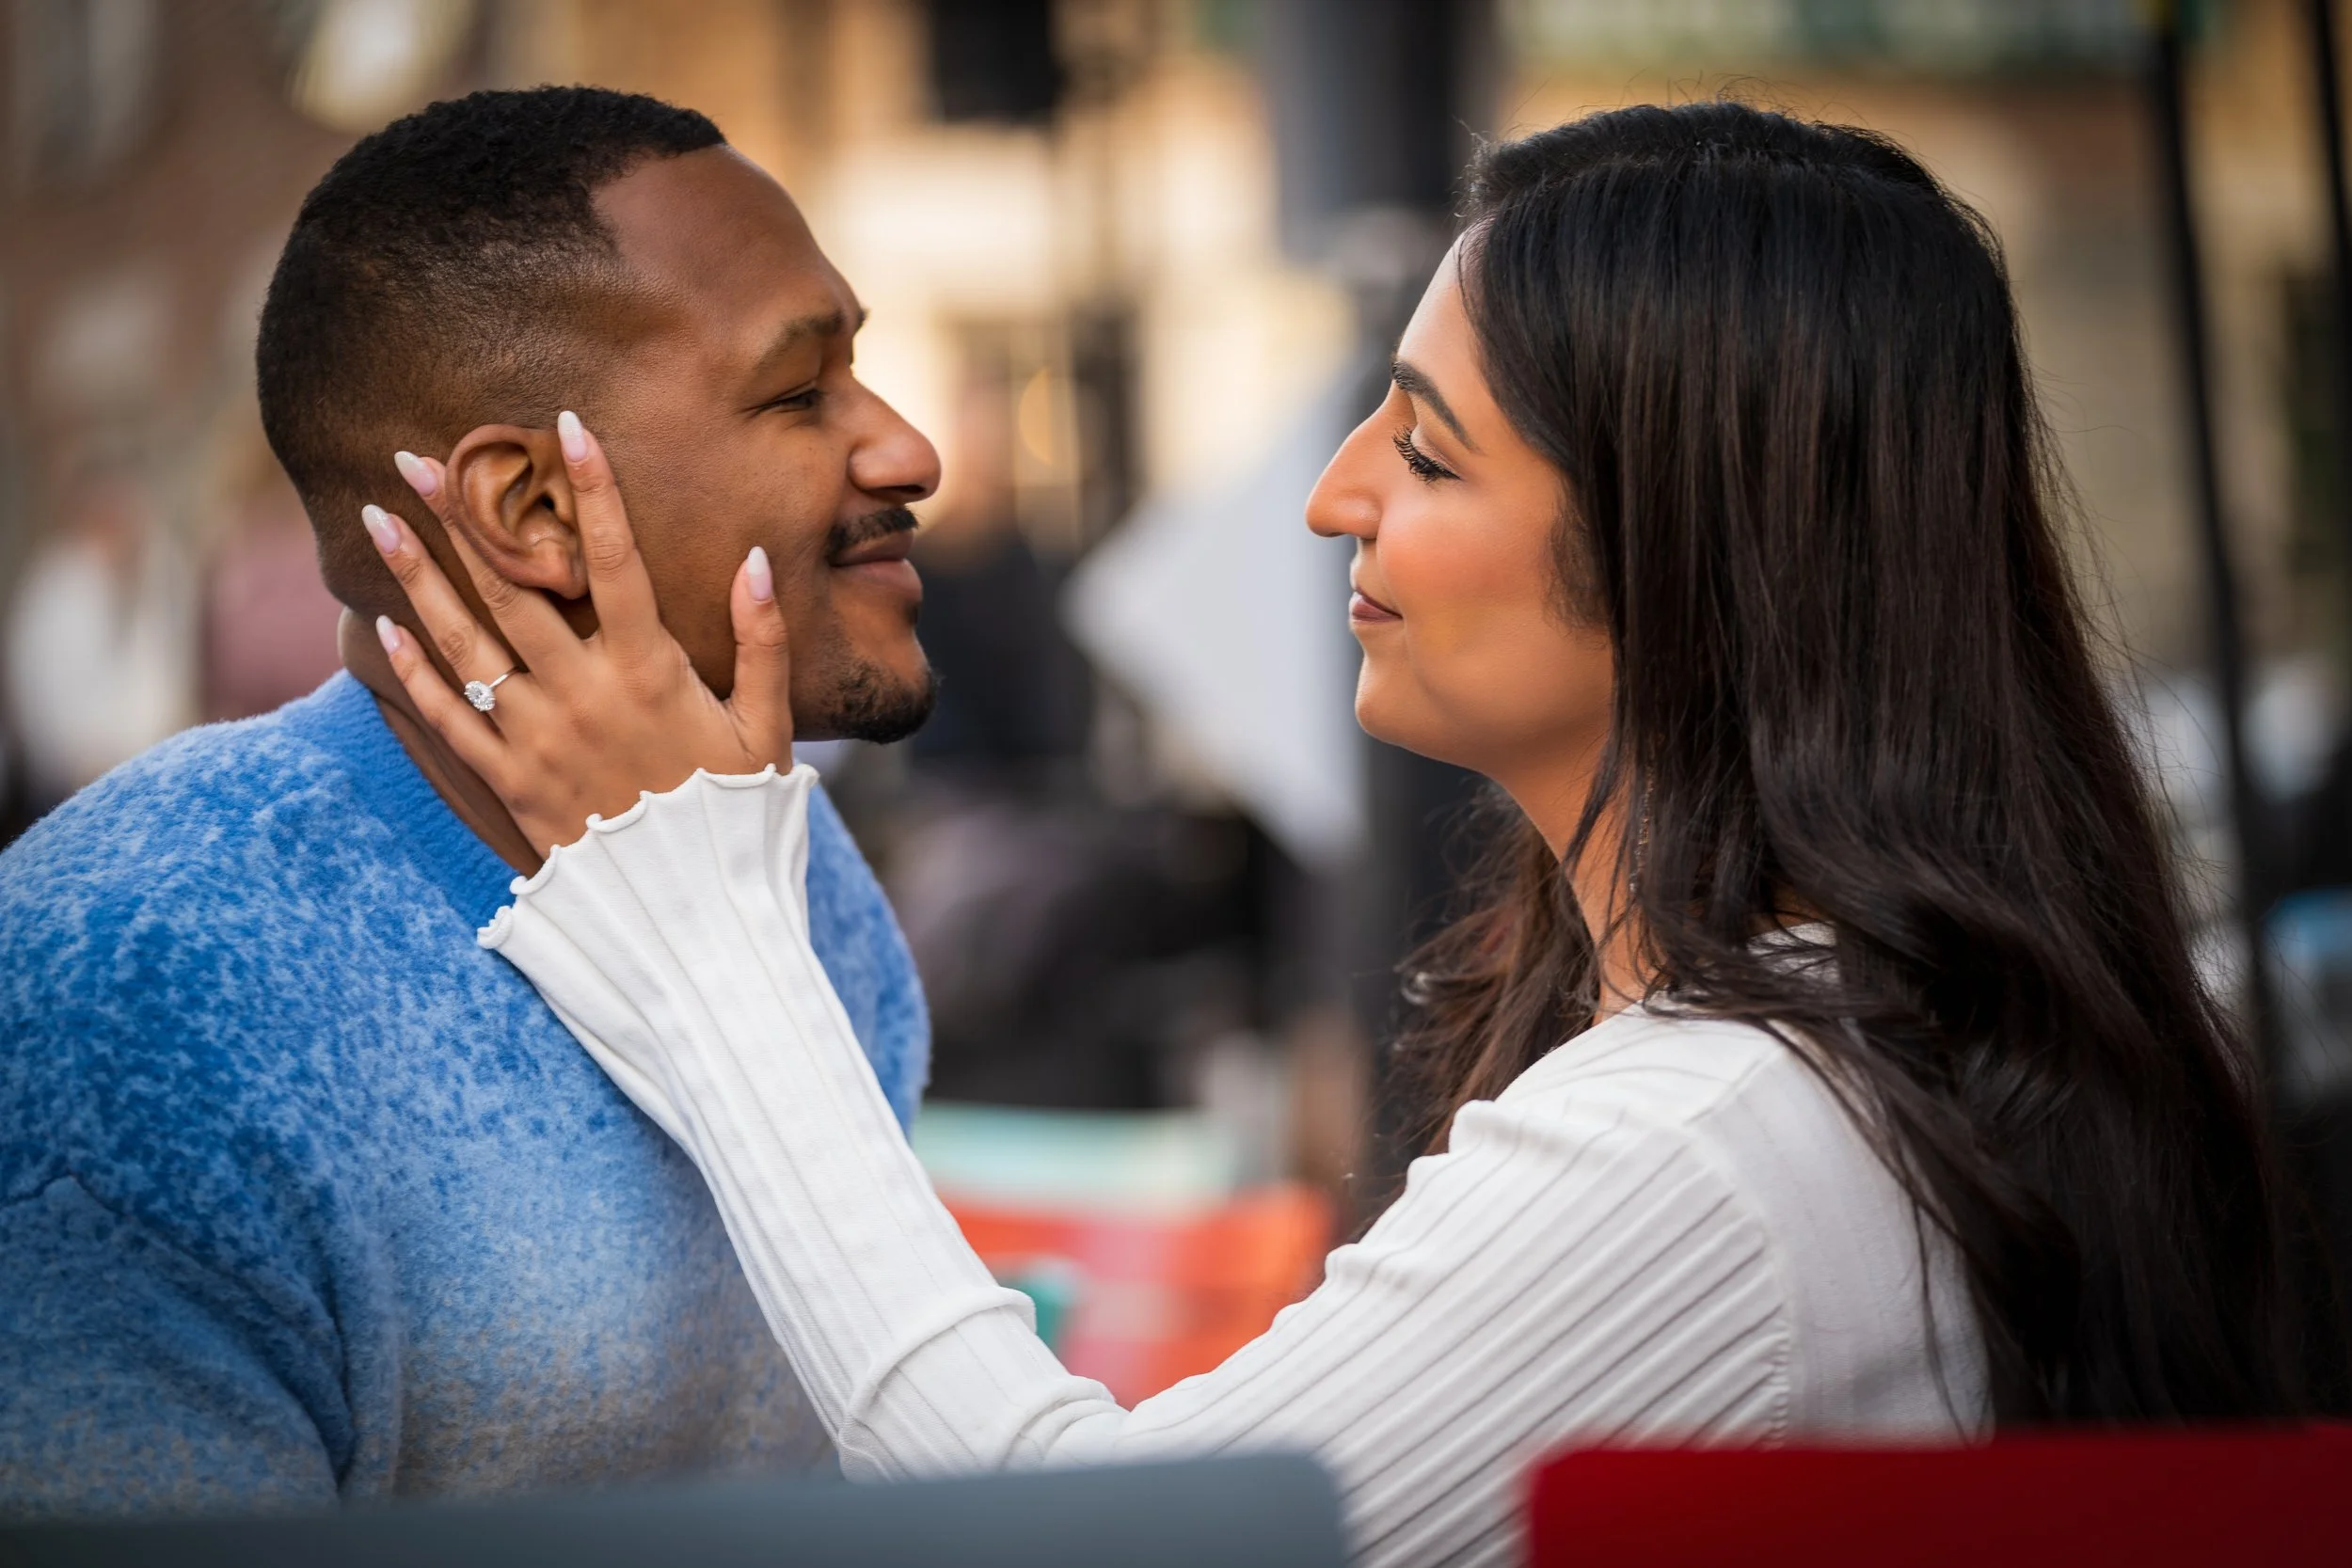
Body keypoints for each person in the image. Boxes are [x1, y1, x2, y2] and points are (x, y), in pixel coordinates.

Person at [372, 104, 2323, 1565]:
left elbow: (1104, 1544)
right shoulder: (1874, 1049)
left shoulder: (1717, 1140)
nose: (1326, 497)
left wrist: (706, 901)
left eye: (1424, 444)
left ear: (1681, 556)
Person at [0, 88, 939, 1515]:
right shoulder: (129, 992)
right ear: (533, 510)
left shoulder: (810, 887)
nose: (907, 452)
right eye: (802, 392)